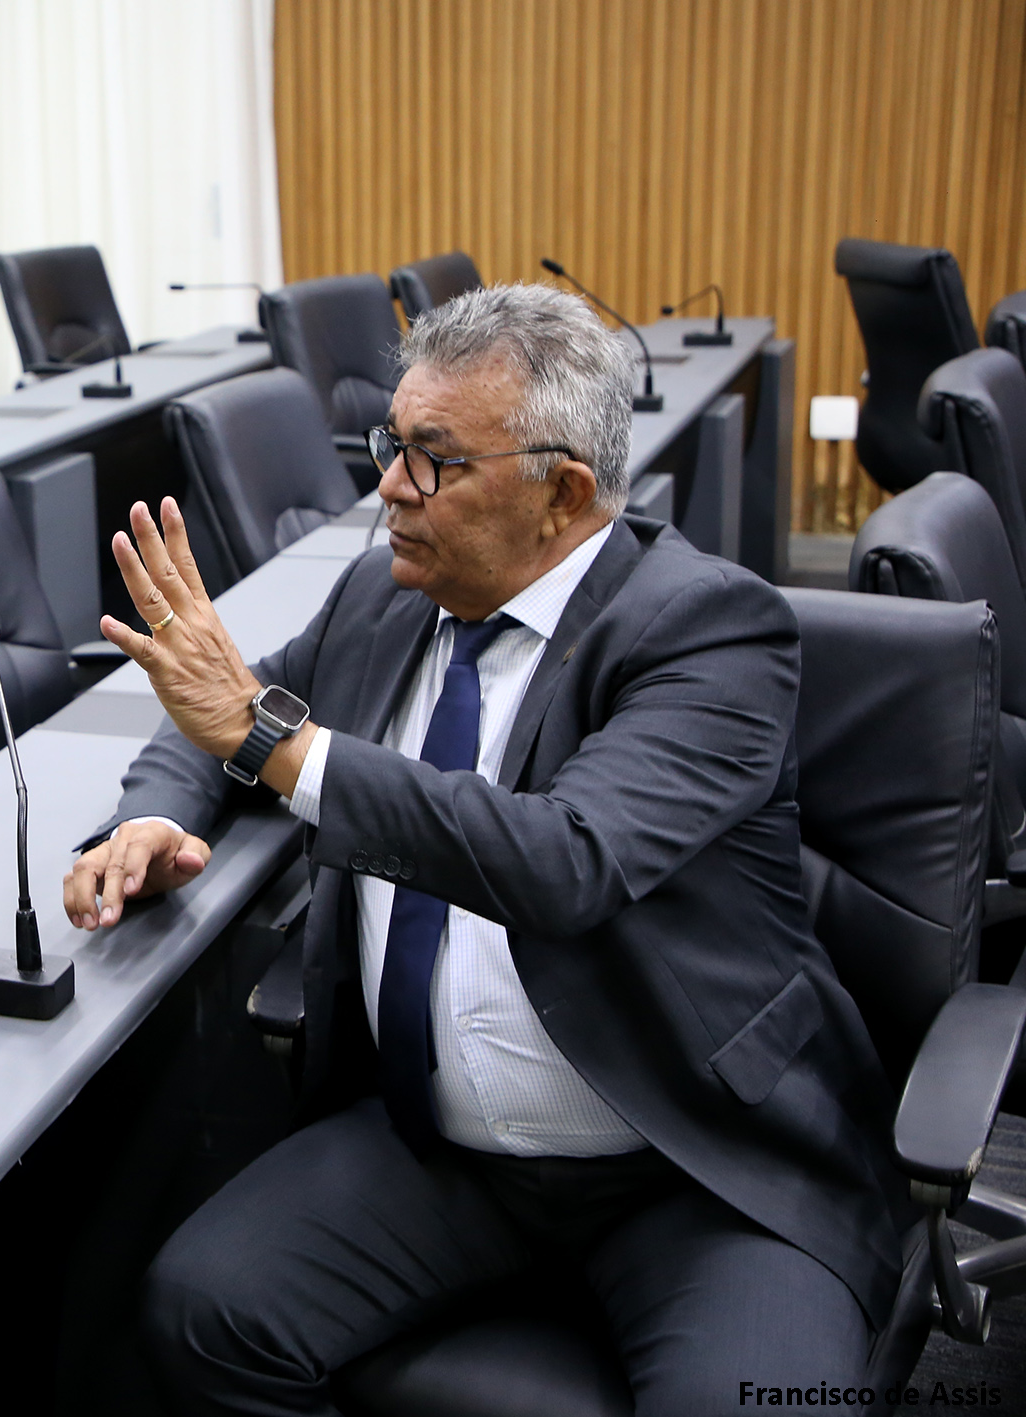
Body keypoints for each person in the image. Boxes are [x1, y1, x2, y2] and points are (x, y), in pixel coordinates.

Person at [63, 285, 902, 1414]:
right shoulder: (381, 598)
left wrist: (274, 743)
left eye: (435, 460)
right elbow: (221, 707)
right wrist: (156, 817)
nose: (389, 486)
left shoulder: (708, 629)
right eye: (389, 445)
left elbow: (567, 860)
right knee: (199, 1312)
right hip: (441, 1146)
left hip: (690, 1162)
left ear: (562, 493)